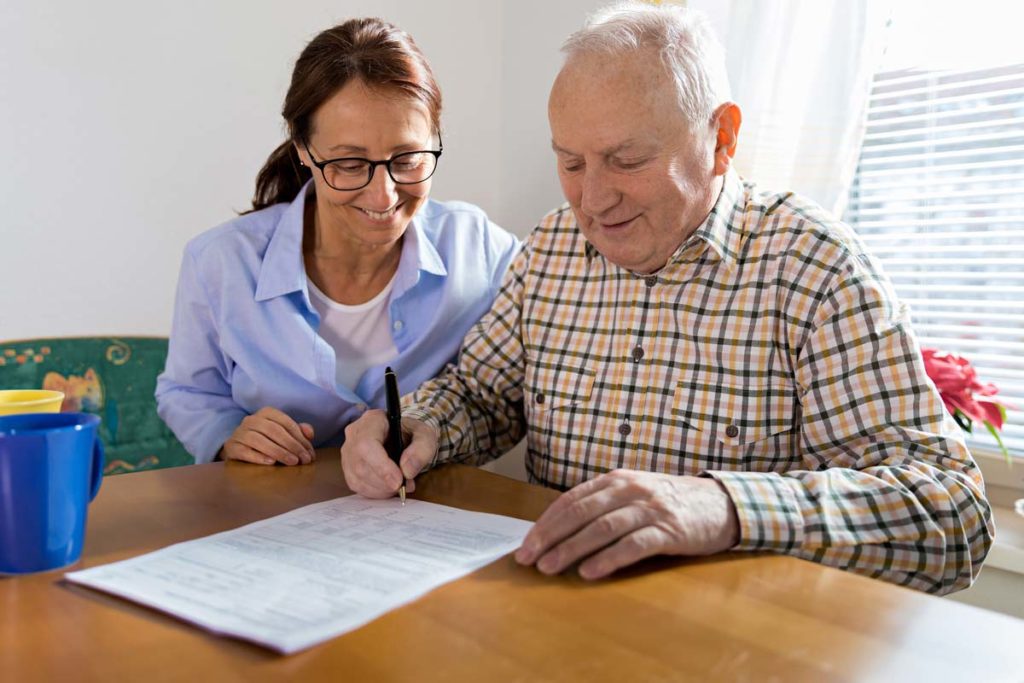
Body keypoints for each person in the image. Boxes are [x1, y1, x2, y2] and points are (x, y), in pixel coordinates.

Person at [340, 2, 995, 594]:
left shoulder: (814, 268)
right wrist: (415, 427)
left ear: (722, 139)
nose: (592, 201)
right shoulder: (551, 249)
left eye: (626, 160)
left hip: (732, 643)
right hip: (549, 619)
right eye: (570, 162)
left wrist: (723, 508)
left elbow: (951, 513)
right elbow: (479, 397)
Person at [156, 18, 519, 466]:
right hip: (271, 513)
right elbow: (187, 390)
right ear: (304, 149)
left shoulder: (482, 250)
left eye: (407, 159)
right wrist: (228, 434)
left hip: (422, 518)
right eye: (350, 163)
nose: (384, 194)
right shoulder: (221, 262)